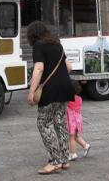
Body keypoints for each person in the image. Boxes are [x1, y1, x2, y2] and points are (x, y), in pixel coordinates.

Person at [26, 21, 75, 175]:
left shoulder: (38, 46)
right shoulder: (57, 44)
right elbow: (69, 67)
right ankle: (65, 159)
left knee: (44, 123)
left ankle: (54, 161)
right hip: (65, 87)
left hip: (50, 90)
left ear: (32, 35)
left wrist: (31, 91)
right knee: (60, 122)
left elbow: (39, 68)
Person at [67, 82, 91, 161]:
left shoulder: (68, 99)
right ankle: (85, 145)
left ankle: (72, 154)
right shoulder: (79, 98)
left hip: (72, 120)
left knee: (71, 138)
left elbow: (65, 108)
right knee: (76, 136)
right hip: (78, 119)